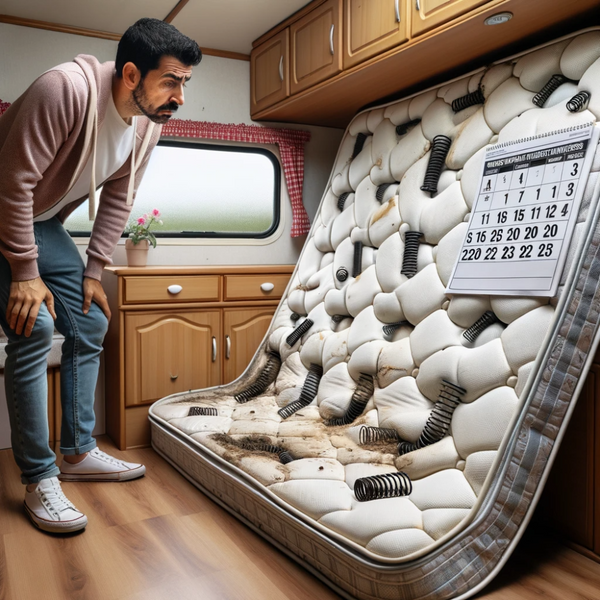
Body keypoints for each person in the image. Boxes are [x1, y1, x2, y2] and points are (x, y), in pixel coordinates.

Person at [0, 18, 202, 533]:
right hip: (6, 208)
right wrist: (25, 273)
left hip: (38, 222)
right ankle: (39, 477)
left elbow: (120, 196)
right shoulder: (62, 90)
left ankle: (77, 451)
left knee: (89, 321)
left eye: (185, 84)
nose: (179, 96)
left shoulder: (148, 121)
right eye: (171, 81)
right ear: (131, 74)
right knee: (35, 327)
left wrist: (94, 270)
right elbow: (14, 183)